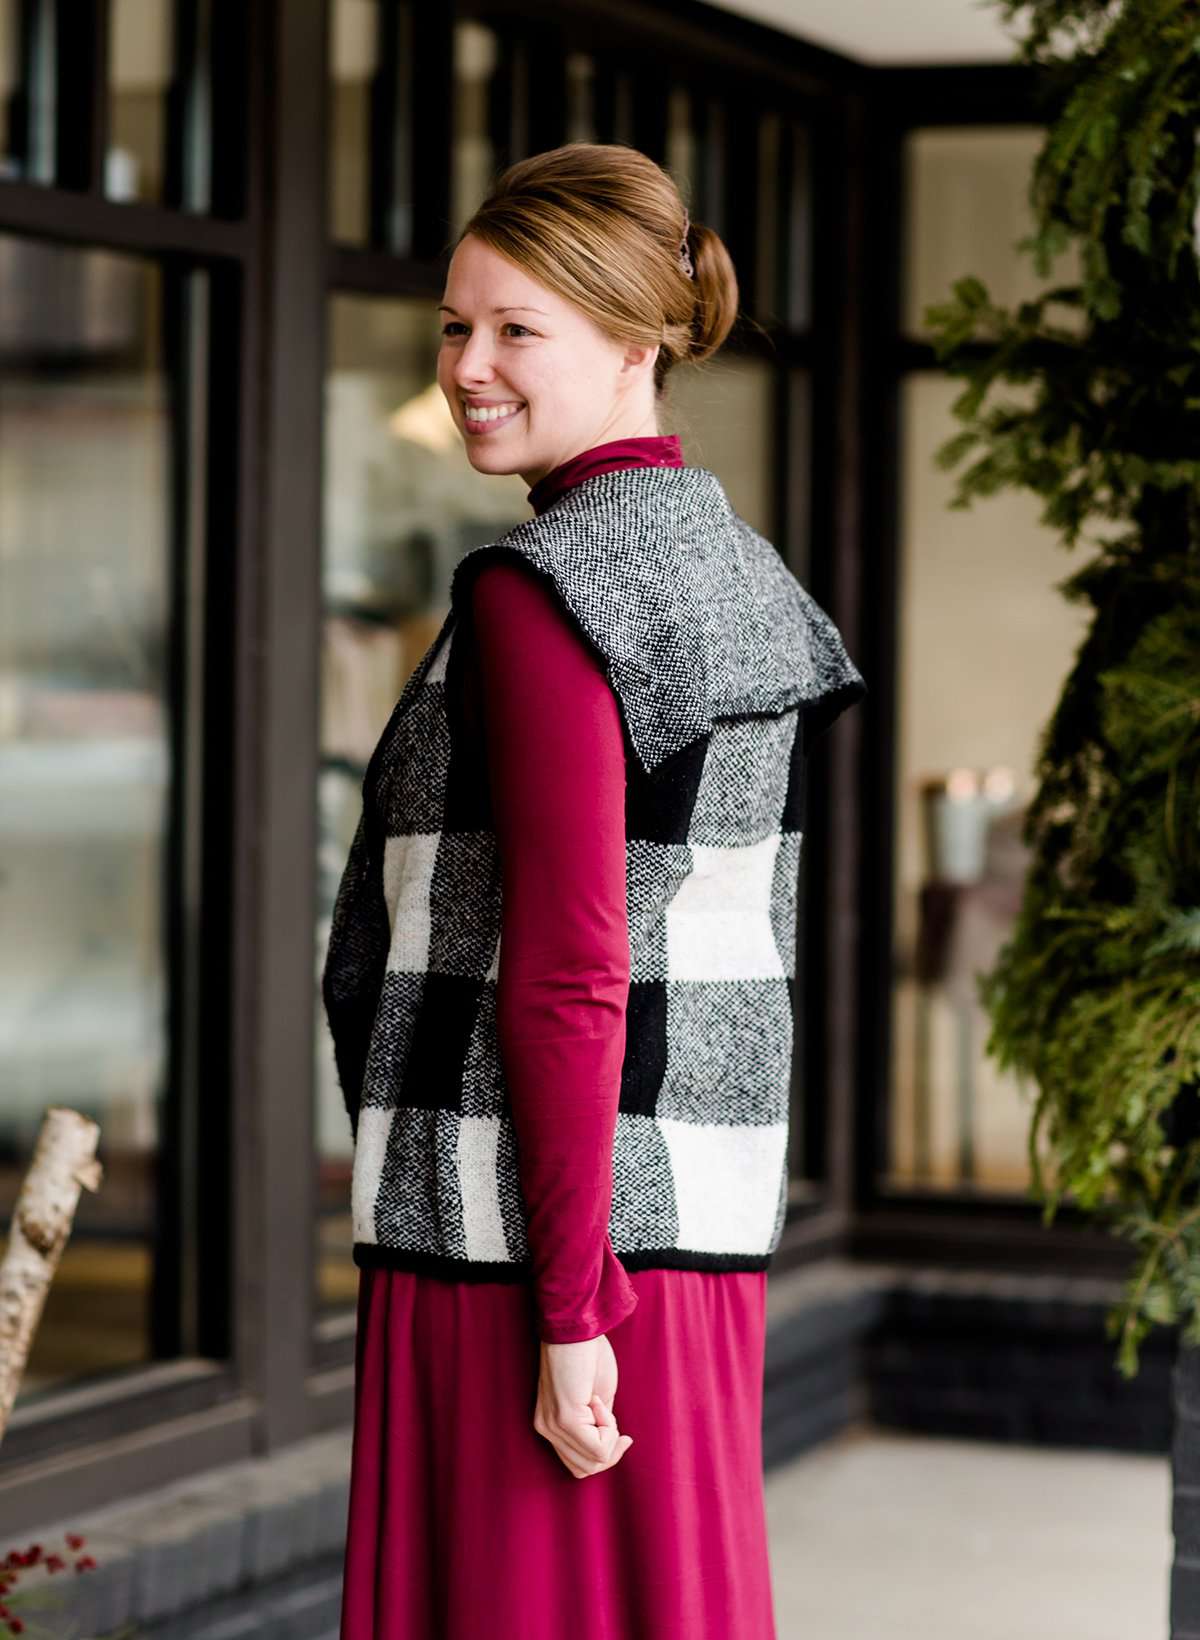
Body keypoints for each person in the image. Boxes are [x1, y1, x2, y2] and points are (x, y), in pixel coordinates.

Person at [324, 140, 866, 1640]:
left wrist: (570, 1315)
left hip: (527, 1242)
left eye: (518, 331)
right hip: (688, 1226)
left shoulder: (546, 584)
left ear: (638, 346)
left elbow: (572, 967)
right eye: (454, 326)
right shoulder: (734, 566)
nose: (470, 367)